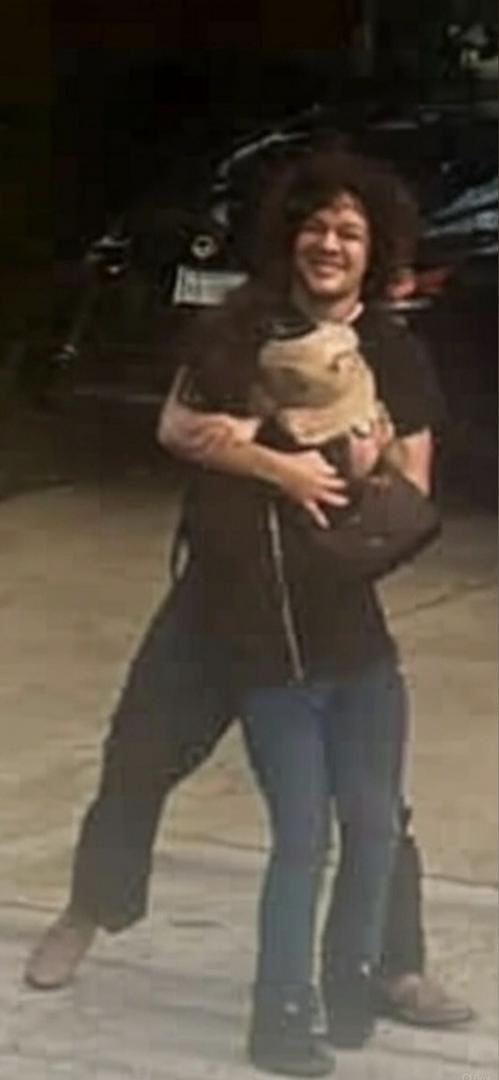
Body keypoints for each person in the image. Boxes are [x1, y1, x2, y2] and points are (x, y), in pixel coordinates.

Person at [25, 150, 472, 1051]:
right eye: (316, 226)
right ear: (289, 235)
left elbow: (412, 488)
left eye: (350, 232)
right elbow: (176, 426)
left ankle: (393, 964)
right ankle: (91, 909)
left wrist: (356, 459)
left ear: (375, 249)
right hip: (218, 595)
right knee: (139, 752)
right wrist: (274, 464)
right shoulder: (236, 325)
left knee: (372, 806)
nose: (329, 244)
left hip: (325, 603)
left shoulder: (393, 351)